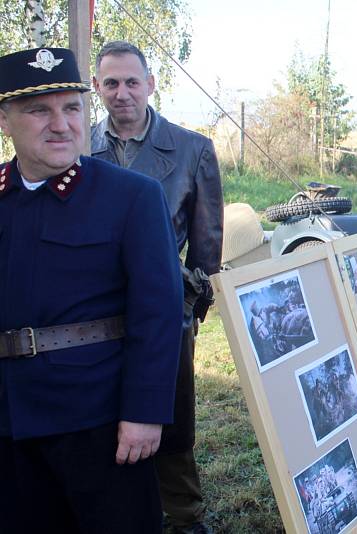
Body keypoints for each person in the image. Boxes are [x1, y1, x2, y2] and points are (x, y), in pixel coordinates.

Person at [0, 47, 183, 533]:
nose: (60, 124)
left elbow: (159, 314)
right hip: (8, 419)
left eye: (72, 108)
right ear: (5, 119)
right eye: (39, 110)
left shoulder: (131, 197)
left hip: (99, 423)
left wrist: (145, 412)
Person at [91, 41, 223, 534]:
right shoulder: (81, 148)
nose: (122, 93)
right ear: (97, 89)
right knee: (106, 415)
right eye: (110, 83)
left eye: (131, 82)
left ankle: (184, 514)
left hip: (166, 309)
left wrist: (185, 305)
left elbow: (207, 247)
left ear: (150, 84)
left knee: (171, 415)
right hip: (96, 313)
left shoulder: (192, 149)